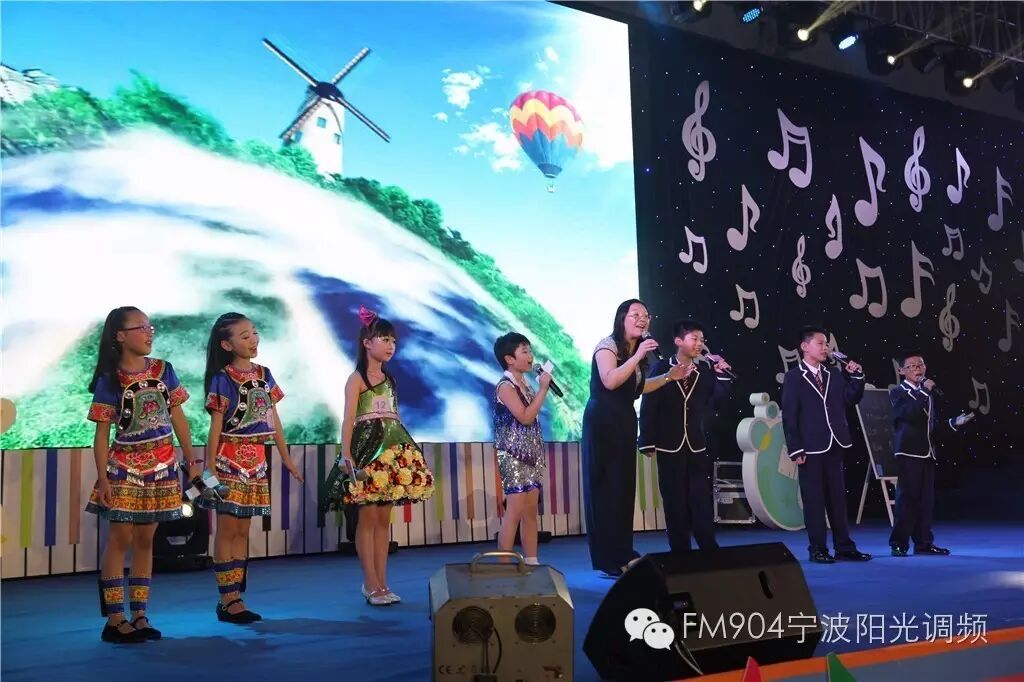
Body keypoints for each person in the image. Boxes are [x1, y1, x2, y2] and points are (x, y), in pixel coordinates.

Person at [85, 306, 199, 643]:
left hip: (162, 468)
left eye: (151, 327)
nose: (149, 333)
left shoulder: (164, 370)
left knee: (146, 541)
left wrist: (191, 459)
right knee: (120, 540)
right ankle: (114, 619)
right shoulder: (111, 379)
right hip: (124, 469)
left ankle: (140, 615)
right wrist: (104, 478)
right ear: (120, 336)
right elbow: (101, 436)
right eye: (141, 327)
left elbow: (178, 418)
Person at [322, 306, 435, 605]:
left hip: (392, 451)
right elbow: (348, 419)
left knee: (384, 520)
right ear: (366, 342)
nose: (391, 345)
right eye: (384, 339)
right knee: (368, 519)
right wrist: (346, 455)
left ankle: (383, 583)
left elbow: (394, 418)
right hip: (367, 451)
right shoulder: (356, 379)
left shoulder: (390, 380)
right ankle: (370, 583)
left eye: (393, 341)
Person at [201, 312, 304, 623]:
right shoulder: (222, 378)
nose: (253, 340)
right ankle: (227, 598)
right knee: (228, 529)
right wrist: (209, 468)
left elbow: (274, 421)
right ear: (226, 344)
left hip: (257, 462)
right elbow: (215, 427)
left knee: (243, 530)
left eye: (254, 333)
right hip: (229, 459)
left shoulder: (265, 375)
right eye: (244, 336)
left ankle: (237, 596)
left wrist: (286, 458)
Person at [582, 299, 687, 578]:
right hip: (602, 422)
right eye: (636, 314)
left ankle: (623, 552)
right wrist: (638, 354)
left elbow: (638, 388)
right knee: (606, 489)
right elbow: (610, 381)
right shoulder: (607, 346)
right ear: (621, 318)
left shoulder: (634, 355)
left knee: (623, 488)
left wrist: (669, 377)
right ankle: (608, 558)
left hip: (625, 421)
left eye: (646, 315)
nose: (643, 319)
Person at [639, 319, 732, 551]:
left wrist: (721, 375)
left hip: (696, 444)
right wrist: (646, 440)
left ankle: (708, 545)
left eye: (702, 340)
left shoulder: (704, 372)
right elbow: (649, 405)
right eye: (694, 339)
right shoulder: (662, 368)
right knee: (674, 498)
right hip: (669, 443)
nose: (699, 344)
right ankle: (680, 549)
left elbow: (716, 401)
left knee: (700, 497)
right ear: (678, 341)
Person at [781, 326, 872, 564]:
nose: (826, 348)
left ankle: (844, 547)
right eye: (820, 343)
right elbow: (789, 415)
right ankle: (817, 548)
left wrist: (857, 377)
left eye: (826, 344)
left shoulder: (834, 374)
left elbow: (849, 399)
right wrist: (795, 448)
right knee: (814, 501)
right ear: (805, 346)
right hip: (809, 448)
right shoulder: (794, 377)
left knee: (837, 500)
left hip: (835, 443)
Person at [889, 351, 974, 557]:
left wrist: (954, 423)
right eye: (912, 366)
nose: (918, 369)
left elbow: (930, 426)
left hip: (927, 452)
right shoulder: (898, 392)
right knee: (907, 500)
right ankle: (899, 543)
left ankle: (924, 543)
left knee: (925, 502)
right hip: (909, 452)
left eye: (921, 365)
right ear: (902, 371)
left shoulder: (925, 394)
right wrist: (925, 391)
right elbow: (909, 414)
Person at [492, 332, 552, 565]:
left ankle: (532, 561)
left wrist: (539, 390)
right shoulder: (505, 387)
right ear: (509, 359)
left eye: (530, 350)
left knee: (530, 512)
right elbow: (525, 417)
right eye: (524, 351)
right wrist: (543, 390)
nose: (530, 356)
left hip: (532, 455)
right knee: (514, 511)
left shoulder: (525, 385)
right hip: (513, 455)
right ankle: (504, 565)